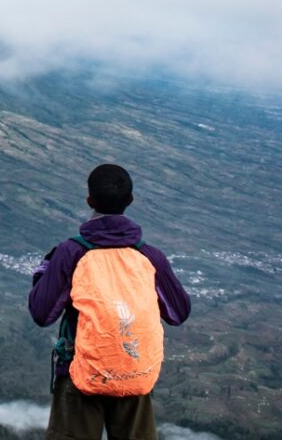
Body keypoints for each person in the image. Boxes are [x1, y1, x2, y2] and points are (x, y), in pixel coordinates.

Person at [29, 164, 191, 440]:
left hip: (81, 372)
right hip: (134, 372)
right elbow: (178, 312)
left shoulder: (71, 252)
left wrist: (44, 271)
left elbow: (42, 313)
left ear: (89, 200)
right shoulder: (151, 256)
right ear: (130, 201)